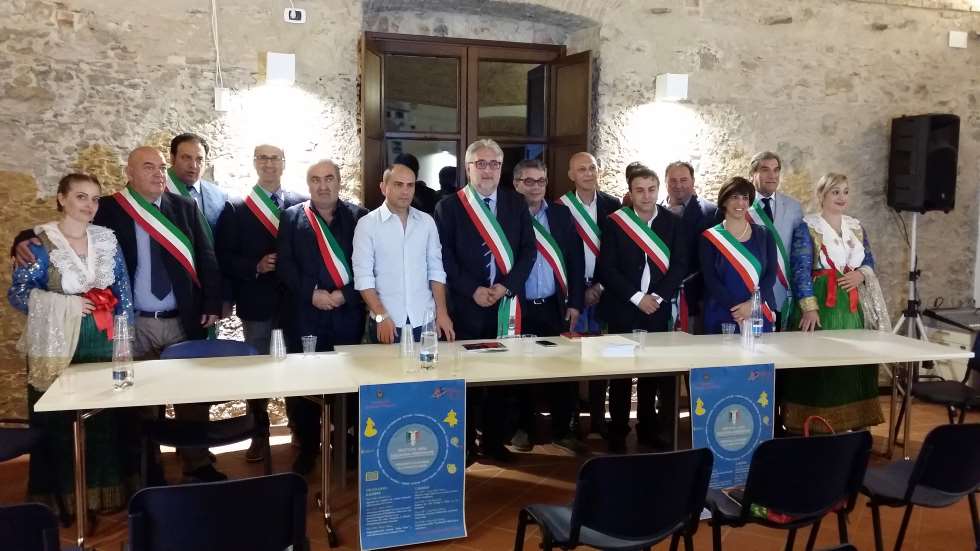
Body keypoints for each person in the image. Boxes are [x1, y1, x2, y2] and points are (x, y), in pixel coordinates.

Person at [12, 147, 224, 482]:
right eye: (148, 167)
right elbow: (66, 229)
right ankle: (148, 468)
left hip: (181, 319)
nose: (158, 173)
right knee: (140, 401)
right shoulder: (109, 207)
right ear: (129, 173)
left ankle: (197, 463)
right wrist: (23, 239)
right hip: (135, 321)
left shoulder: (184, 206)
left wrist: (212, 303)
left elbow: (206, 255)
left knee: (191, 397)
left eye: (161, 167)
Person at [8, 173, 135, 515]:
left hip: (103, 341)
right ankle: (62, 500)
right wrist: (67, 304)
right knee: (60, 421)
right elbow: (18, 294)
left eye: (94, 199)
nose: (89, 205)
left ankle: (105, 496)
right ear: (62, 198)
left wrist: (124, 342)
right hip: (58, 343)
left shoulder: (107, 240)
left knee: (103, 419)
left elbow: (123, 295)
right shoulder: (38, 244)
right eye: (81, 197)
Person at [434, 139, 536, 463]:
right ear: (468, 168)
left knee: (501, 379)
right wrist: (472, 289)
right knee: (465, 380)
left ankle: (493, 442)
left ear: (501, 168)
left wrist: (506, 286)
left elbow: (528, 251)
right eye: (481, 163)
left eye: (494, 164)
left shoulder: (515, 203)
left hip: (506, 306)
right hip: (466, 307)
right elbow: (444, 258)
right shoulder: (449, 207)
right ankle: (464, 445)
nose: (488, 170)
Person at [215, 144, 306, 463]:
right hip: (256, 304)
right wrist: (255, 265)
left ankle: (300, 430)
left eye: (275, 158)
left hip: (295, 303)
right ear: (255, 163)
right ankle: (258, 434)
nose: (269, 164)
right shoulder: (237, 207)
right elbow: (224, 256)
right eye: (263, 158)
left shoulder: (300, 202)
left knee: (297, 369)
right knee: (257, 373)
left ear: (284, 163)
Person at [277, 159, 367, 475]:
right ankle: (308, 447)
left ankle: (345, 442)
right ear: (308, 184)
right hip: (305, 315)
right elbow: (285, 266)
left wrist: (346, 294)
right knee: (305, 385)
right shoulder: (291, 217)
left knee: (348, 383)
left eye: (329, 178)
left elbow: (370, 265)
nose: (323, 185)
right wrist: (312, 294)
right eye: (315, 179)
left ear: (339, 182)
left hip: (347, 315)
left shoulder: (359, 217)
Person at [782, 173, 886, 433]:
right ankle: (816, 425)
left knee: (852, 362)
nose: (842, 197)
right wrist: (809, 307)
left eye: (845, 192)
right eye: (835, 192)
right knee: (821, 363)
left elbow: (869, 260)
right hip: (822, 304)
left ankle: (852, 424)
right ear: (822, 195)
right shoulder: (808, 226)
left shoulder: (856, 227)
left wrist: (861, 274)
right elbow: (800, 269)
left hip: (851, 306)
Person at [597, 166, 688, 453]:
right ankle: (618, 430)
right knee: (621, 374)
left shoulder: (673, 223)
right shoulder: (615, 222)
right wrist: (637, 297)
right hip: (624, 307)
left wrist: (657, 297)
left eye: (651, 189)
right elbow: (606, 269)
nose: (646, 196)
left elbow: (680, 265)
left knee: (652, 373)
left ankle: (648, 428)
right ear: (630, 192)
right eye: (640, 190)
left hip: (657, 309)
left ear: (658, 190)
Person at [510, 159, 587, 454]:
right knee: (519, 371)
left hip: (555, 306)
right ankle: (523, 429)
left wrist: (575, 302)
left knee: (562, 369)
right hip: (520, 307)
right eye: (528, 181)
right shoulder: (506, 215)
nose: (535, 187)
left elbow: (576, 261)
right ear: (516, 184)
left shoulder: (561, 214)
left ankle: (562, 430)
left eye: (540, 181)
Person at [352, 162, 454, 344]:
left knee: (429, 363)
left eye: (410, 185)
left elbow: (436, 270)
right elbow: (363, 277)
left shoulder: (426, 222)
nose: (405, 191)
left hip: (425, 319)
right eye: (398, 185)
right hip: (387, 321)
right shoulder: (367, 224)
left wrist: (442, 312)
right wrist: (381, 315)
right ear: (383, 187)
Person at [557, 152, 621, 437]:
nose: (588, 173)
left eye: (592, 168)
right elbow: (558, 254)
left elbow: (617, 252)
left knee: (602, 356)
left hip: (604, 291)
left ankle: (598, 419)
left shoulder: (613, 204)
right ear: (571, 175)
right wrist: (577, 292)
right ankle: (571, 419)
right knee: (570, 357)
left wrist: (600, 286)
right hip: (572, 293)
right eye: (581, 169)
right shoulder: (559, 207)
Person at [699, 176, 778, 335]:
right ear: (724, 201)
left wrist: (752, 305)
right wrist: (738, 309)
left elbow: (771, 274)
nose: (740, 203)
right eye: (734, 197)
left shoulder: (765, 235)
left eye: (745, 198)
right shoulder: (709, 238)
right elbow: (710, 279)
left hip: (756, 311)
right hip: (722, 311)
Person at [661, 161, 718, 333]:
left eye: (684, 180)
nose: (678, 185)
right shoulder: (653, 210)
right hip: (658, 297)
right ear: (665, 182)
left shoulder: (711, 212)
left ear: (693, 181)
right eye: (673, 180)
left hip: (695, 299)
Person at [748, 151, 802, 329]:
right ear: (752, 174)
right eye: (765, 170)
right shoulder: (741, 207)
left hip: (784, 291)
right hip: (752, 291)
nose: (772, 175)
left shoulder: (794, 207)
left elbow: (800, 252)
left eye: (776, 170)